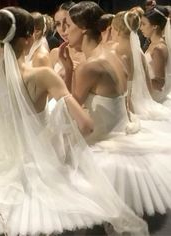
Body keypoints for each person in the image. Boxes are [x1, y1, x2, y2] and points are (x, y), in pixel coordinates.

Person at [0, 6, 148, 236]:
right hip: (43, 173)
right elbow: (86, 125)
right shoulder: (42, 76)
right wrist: (57, 136)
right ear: (28, 39)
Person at [63, 1, 171, 217]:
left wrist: (67, 72)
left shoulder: (90, 65)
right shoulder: (111, 55)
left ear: (83, 28)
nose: (64, 32)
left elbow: (71, 111)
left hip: (103, 144)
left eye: (67, 25)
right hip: (120, 134)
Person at [141, 6, 171, 103]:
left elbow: (159, 83)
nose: (140, 28)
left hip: (153, 95)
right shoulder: (153, 44)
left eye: (144, 24)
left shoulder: (158, 49)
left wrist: (138, 78)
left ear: (154, 26)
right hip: (147, 90)